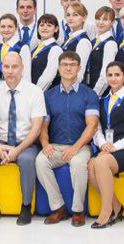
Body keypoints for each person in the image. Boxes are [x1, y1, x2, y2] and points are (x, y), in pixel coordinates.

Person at [0, 51, 45, 223]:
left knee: (27, 160)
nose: (10, 71)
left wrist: (17, 150)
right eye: (6, 67)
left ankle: (26, 207)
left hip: (26, 144)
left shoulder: (35, 92)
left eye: (14, 67)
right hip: (0, 142)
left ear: (22, 68)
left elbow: (36, 128)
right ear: (2, 68)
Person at [35, 50, 99, 227]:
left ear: (79, 68)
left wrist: (75, 147)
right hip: (56, 145)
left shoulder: (89, 94)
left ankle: (78, 211)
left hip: (81, 146)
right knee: (40, 161)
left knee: (78, 164)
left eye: (72, 64)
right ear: (58, 68)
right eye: (64, 64)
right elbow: (43, 126)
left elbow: (92, 125)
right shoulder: (49, 95)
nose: (68, 68)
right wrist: (45, 143)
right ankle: (58, 208)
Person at [88, 60, 124, 228]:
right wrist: (103, 143)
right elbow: (97, 128)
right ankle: (117, 206)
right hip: (106, 147)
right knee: (90, 165)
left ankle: (106, 211)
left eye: (117, 75)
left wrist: (114, 147)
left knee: (101, 162)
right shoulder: (102, 100)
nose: (113, 78)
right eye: (110, 75)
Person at [86, 6, 118, 94]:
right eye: (98, 19)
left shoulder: (110, 44)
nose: (100, 22)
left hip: (100, 92)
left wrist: (95, 93)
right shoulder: (94, 41)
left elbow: (105, 74)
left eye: (105, 19)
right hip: (89, 87)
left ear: (112, 22)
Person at [28, 13, 62, 90]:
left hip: (44, 92)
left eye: (49, 25)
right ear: (37, 29)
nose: (45, 28)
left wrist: (35, 93)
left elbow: (48, 78)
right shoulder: (35, 49)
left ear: (56, 29)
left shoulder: (55, 49)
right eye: (42, 25)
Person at [61, 4, 94, 79]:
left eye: (75, 15)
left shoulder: (83, 41)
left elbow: (79, 72)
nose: (70, 18)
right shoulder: (70, 38)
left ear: (84, 17)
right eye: (68, 15)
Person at [0, 13, 25, 83]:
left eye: (10, 27)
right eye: (3, 26)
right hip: (0, 85)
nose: (6, 30)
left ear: (16, 28)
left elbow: (26, 76)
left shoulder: (22, 47)